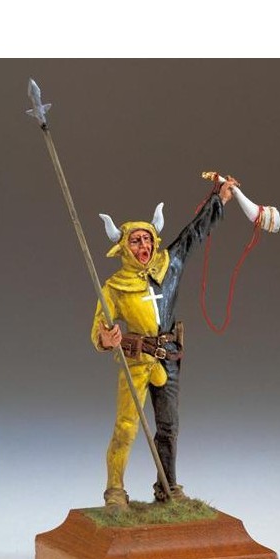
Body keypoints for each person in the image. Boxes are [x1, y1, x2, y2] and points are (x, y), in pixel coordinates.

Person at [91, 175, 238, 506]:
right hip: (136, 361)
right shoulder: (114, 287)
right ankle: (115, 490)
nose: (143, 247)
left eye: (147, 240)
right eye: (135, 241)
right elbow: (98, 327)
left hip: (168, 358)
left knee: (169, 427)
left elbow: (192, 234)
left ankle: (167, 487)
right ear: (123, 247)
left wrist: (218, 199)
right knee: (126, 427)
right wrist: (106, 337)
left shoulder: (168, 266)